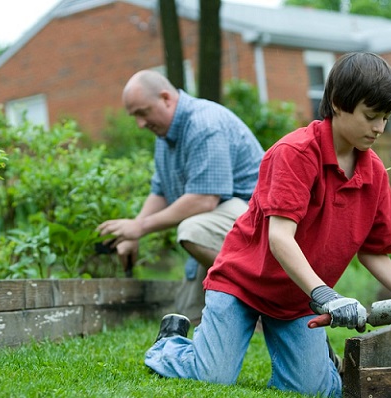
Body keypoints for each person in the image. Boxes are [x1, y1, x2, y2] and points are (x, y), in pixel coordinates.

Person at [143, 52, 391, 398]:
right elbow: (280, 238)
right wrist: (328, 296)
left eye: (386, 118)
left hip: (299, 299)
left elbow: (374, 254)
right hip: (242, 285)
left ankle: (316, 362)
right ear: (337, 104)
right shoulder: (295, 153)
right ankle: (171, 343)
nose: (379, 128)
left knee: (317, 391)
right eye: (371, 116)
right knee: (212, 377)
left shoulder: (373, 173)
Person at [96, 70, 265, 323]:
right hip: (222, 226)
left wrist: (141, 227)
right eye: (135, 117)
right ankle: (239, 305)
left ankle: (261, 300)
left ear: (166, 98)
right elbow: (160, 191)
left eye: (142, 113)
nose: (140, 124)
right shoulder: (165, 136)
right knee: (186, 316)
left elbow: (204, 199)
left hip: (259, 225)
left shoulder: (204, 124)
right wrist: (131, 233)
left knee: (192, 230)